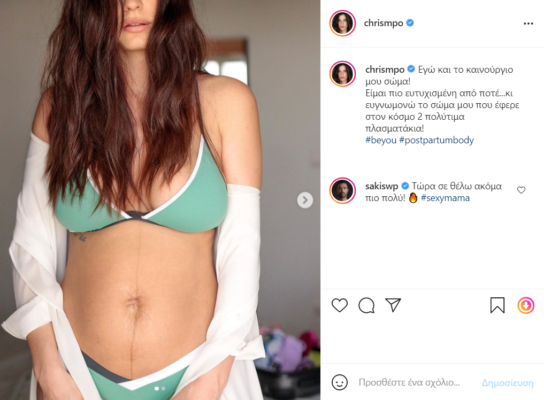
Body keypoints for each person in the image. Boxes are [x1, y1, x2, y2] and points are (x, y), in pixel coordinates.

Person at [1, 0, 265, 399]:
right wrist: (49, 370)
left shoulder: (226, 101)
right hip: (76, 375)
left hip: (198, 375)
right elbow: (30, 248)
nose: (132, 4)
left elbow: (241, 248)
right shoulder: (60, 108)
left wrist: (211, 380)